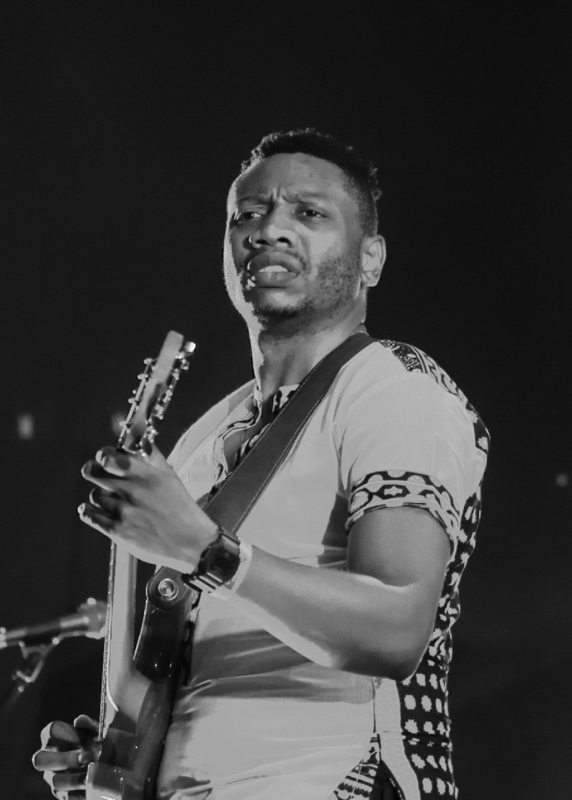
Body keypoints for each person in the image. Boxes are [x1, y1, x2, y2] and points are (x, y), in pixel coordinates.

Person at [33, 129, 489, 800]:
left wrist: (207, 552)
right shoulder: (202, 438)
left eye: (308, 212)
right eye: (247, 213)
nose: (269, 228)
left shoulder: (394, 388)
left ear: (371, 258)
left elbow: (396, 631)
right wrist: (121, 756)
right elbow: (190, 670)